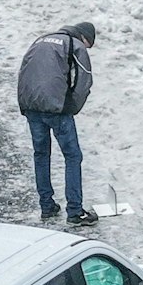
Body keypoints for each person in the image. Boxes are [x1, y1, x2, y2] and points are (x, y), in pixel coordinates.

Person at [16, 20, 96, 226]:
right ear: (85, 38)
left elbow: (24, 71)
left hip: (31, 105)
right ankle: (75, 212)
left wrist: (25, 104)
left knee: (41, 154)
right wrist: (71, 107)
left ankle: (47, 206)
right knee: (73, 156)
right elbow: (83, 81)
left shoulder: (40, 40)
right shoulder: (75, 45)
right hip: (56, 109)